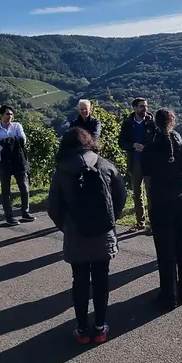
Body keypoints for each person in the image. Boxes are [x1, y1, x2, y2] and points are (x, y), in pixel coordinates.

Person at [47, 127, 128, 345]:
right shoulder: (106, 165)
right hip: (103, 232)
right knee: (101, 280)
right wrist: (110, 221)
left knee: (80, 280)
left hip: (76, 233)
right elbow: (121, 197)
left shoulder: (62, 170)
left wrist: (67, 227)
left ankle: (82, 329)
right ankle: (100, 328)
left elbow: (53, 207)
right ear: (89, 141)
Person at [142, 108, 182, 310]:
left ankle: (169, 296)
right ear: (173, 122)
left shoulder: (150, 149)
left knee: (165, 251)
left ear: (155, 124)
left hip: (160, 202)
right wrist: (179, 184)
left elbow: (145, 172)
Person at [118, 98, 157, 233]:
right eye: (141, 106)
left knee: (151, 193)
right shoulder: (128, 124)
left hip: (149, 163)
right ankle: (140, 221)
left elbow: (157, 141)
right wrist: (132, 145)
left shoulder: (152, 123)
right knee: (137, 193)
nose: (144, 109)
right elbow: (121, 142)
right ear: (134, 108)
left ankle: (153, 223)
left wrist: (145, 147)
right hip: (134, 162)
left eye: (145, 106)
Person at [0, 105, 34, 226]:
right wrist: (13, 142)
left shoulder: (17, 126)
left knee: (24, 188)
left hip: (19, 161)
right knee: (6, 190)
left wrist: (6, 142)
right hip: (4, 162)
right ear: (1, 115)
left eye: (11, 114)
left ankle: (25, 212)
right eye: (7, 114)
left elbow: (23, 140)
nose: (9, 116)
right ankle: (9, 216)